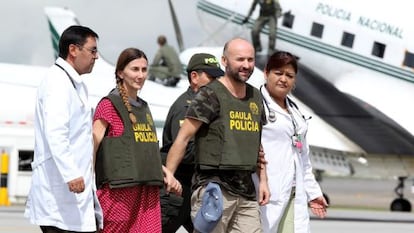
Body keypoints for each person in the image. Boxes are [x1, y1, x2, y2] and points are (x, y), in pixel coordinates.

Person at [166, 38, 270, 233]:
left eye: (250, 60)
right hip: (213, 188)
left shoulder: (255, 97)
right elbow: (183, 138)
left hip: (246, 191)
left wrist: (263, 181)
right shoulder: (209, 95)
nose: (246, 65)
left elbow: (257, 145)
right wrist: (169, 175)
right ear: (224, 61)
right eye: (240, 59)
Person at [92, 47, 182, 232]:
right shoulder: (108, 105)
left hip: (146, 191)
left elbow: (142, 150)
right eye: (135, 69)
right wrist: (88, 187)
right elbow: (92, 146)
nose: (140, 75)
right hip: (118, 193)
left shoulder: (144, 108)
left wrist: (166, 173)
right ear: (120, 72)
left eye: (144, 70)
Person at [24, 25, 102, 233]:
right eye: (92, 50)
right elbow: (55, 133)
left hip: (75, 194)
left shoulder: (76, 84)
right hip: (60, 192)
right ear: (73, 50)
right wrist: (70, 174)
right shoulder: (56, 82)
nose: (96, 57)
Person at [254, 51, 328, 233]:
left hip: (295, 192)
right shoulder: (255, 105)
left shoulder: (295, 111)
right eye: (278, 73)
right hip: (266, 191)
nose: (283, 79)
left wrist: (314, 193)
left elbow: (303, 157)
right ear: (266, 73)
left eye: (289, 75)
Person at [160, 53, 224, 233]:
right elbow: (186, 151)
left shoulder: (208, 105)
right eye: (211, 77)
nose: (216, 83)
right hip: (177, 186)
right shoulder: (186, 107)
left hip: (196, 187)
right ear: (194, 77)